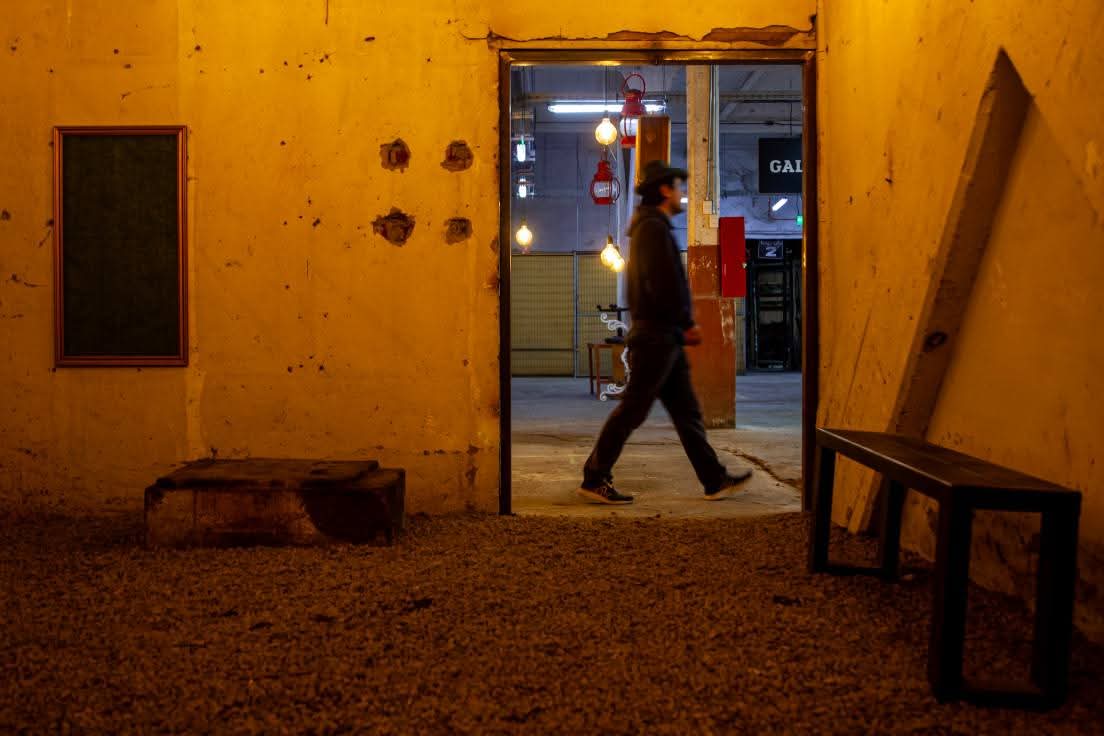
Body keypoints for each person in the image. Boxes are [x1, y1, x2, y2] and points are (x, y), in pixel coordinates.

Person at [577, 160, 752, 505]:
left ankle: (714, 480)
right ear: (663, 190)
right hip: (657, 338)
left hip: (663, 336)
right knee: (633, 410)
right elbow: (664, 283)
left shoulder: (650, 228)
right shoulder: (653, 229)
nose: (681, 194)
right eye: (677, 187)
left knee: (686, 414)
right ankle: (594, 477)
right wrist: (685, 322)